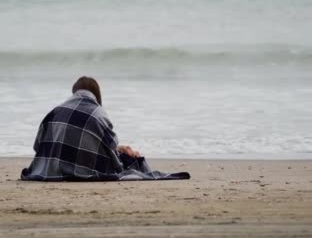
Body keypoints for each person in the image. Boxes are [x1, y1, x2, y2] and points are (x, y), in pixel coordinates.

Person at [20, 76, 189, 181]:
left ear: (74, 92)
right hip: (83, 172)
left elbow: (38, 147)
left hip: (46, 171)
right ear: (97, 95)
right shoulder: (99, 114)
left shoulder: (54, 112)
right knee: (131, 160)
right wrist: (124, 153)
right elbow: (115, 162)